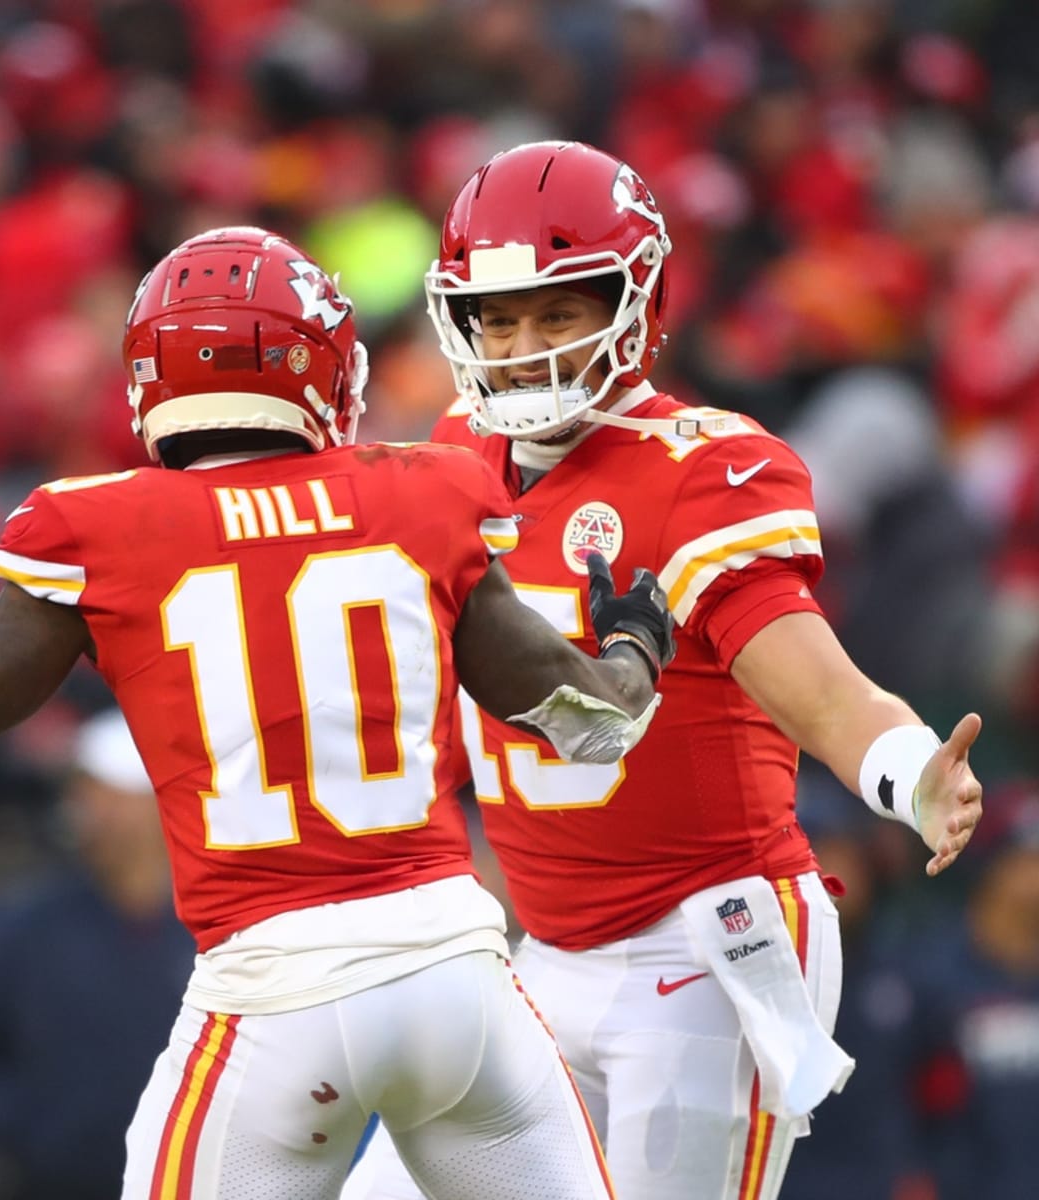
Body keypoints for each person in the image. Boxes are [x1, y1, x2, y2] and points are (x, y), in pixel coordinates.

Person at [0, 225, 676, 1200]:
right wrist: (635, 641)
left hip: (275, 997)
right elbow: (596, 721)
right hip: (456, 977)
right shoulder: (425, 492)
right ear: (321, 367)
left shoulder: (98, 527)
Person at [341, 141, 984, 1200]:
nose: (523, 347)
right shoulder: (456, 451)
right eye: (497, 318)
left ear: (633, 308)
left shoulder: (701, 469)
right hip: (540, 949)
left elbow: (815, 683)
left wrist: (907, 771)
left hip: (701, 945)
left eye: (558, 314)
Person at [0, 709, 195, 1200]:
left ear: (153, 802)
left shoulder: (217, 930)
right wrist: (22, 1121)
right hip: (50, 1184)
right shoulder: (28, 925)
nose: (83, 808)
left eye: (102, 792)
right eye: (82, 791)